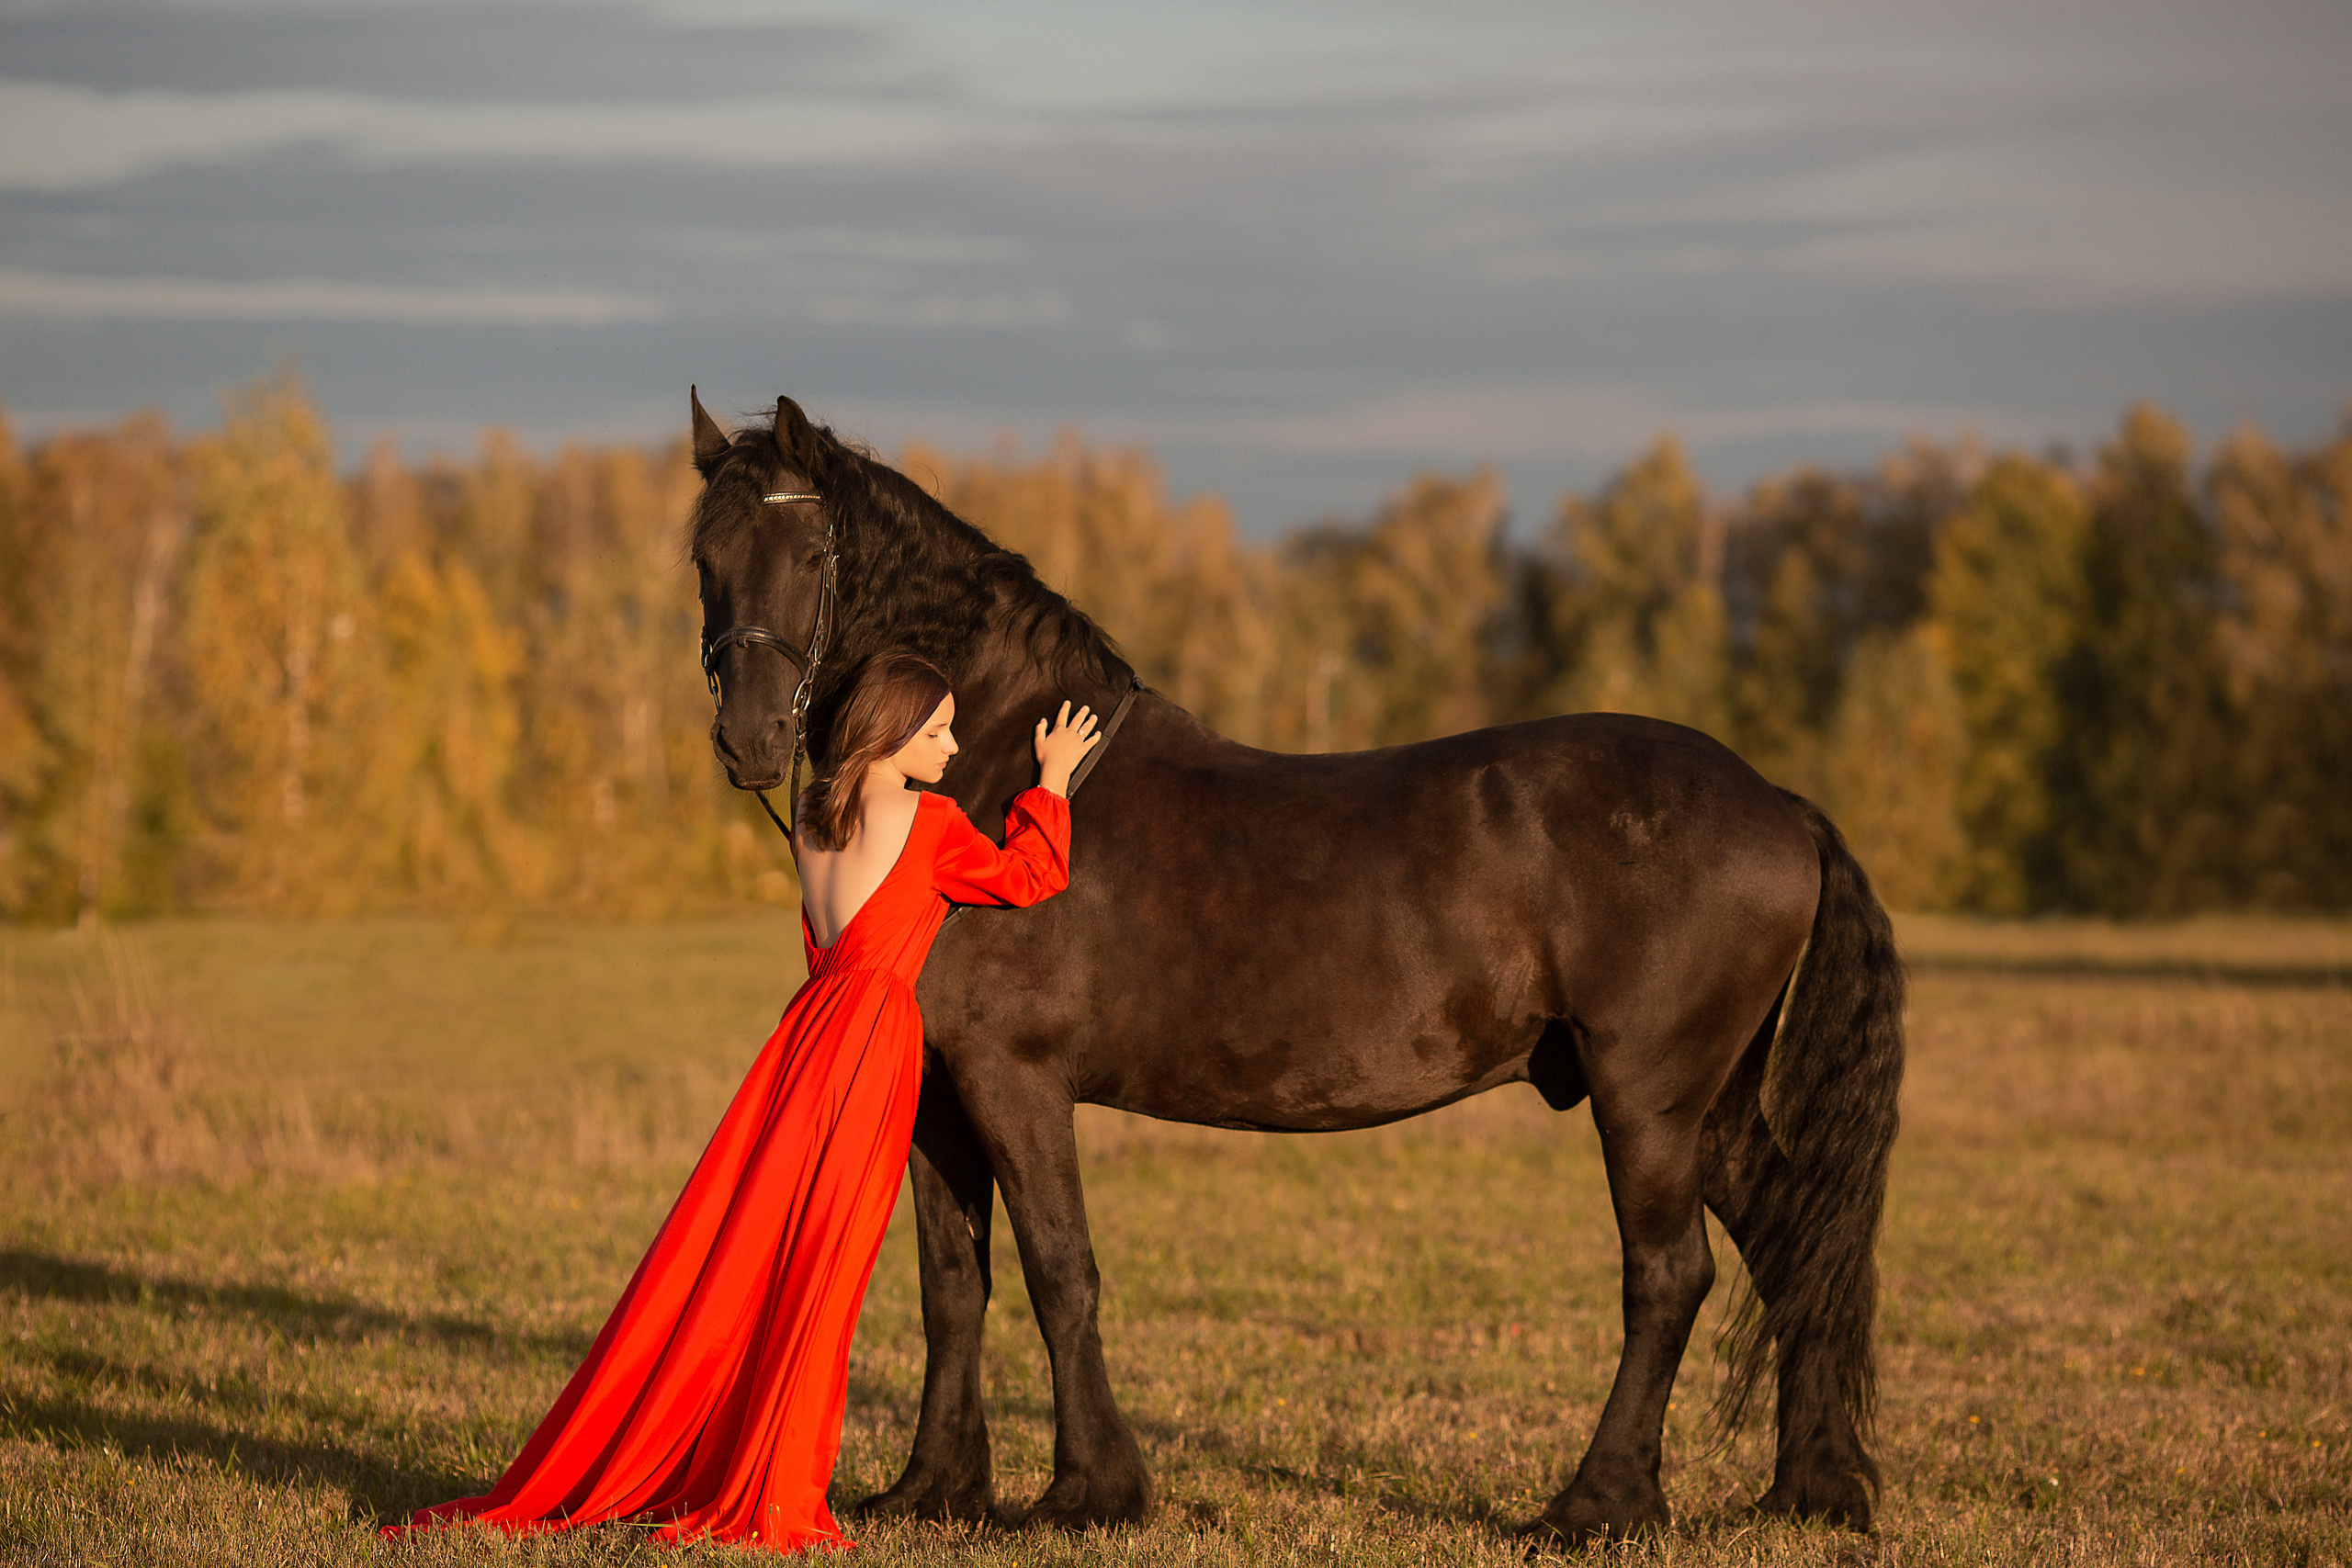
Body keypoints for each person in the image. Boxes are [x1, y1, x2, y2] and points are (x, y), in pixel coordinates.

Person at [386, 650, 1099, 1551]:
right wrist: (1054, 782)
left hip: (804, 1039)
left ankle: (712, 1449)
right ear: (887, 733)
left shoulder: (813, 822)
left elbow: (821, 948)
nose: (952, 747)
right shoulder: (929, 821)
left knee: (754, 1254)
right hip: (869, 1046)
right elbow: (1029, 877)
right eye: (935, 731)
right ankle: (769, 1486)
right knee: (820, 1277)